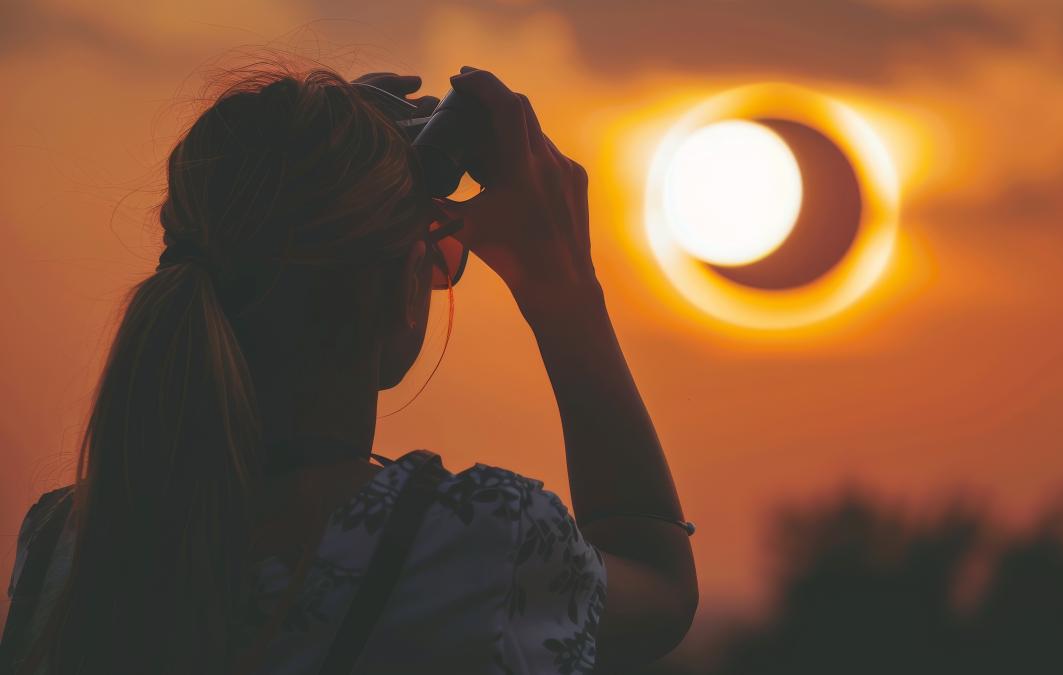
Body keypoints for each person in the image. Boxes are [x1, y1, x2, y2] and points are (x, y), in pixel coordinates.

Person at [1, 64, 697, 674]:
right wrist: (565, 287)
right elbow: (661, 590)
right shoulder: (475, 546)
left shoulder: (64, 545)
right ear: (392, 293)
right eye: (433, 260)